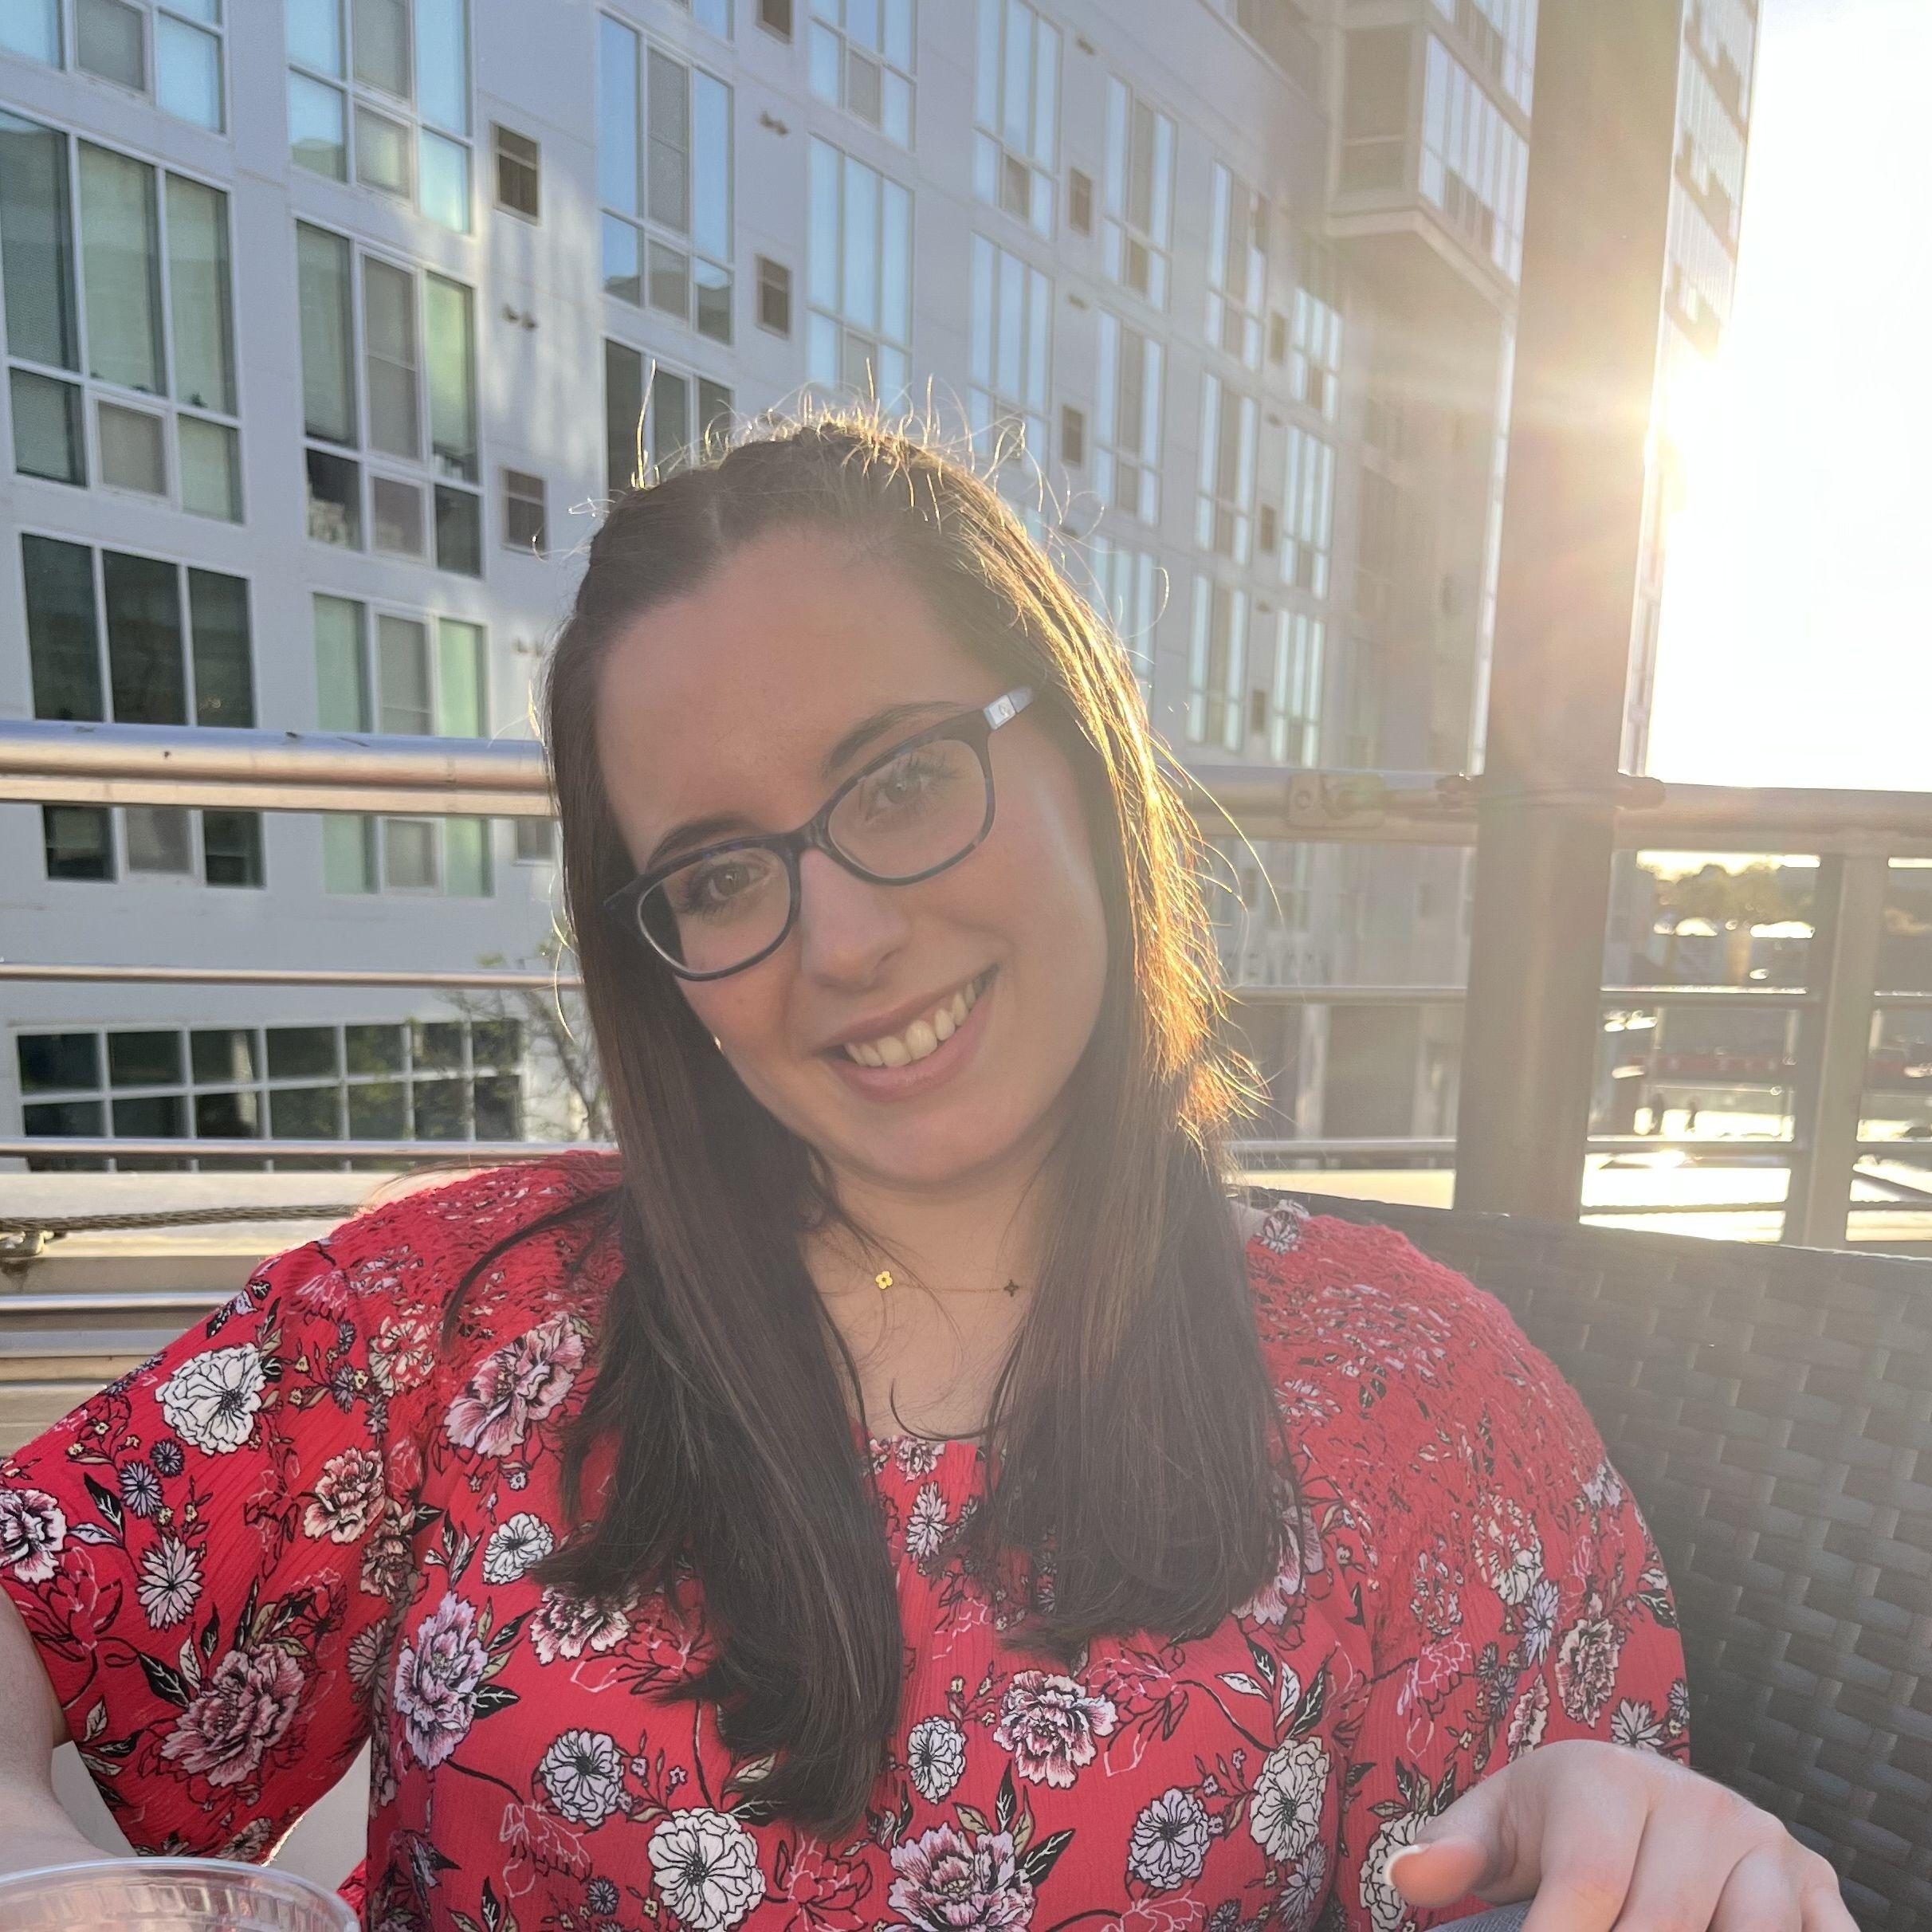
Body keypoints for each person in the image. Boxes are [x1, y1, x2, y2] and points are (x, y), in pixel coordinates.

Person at [0, 418, 1851, 1932]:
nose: (847, 942)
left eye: (898, 780)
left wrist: (1627, 1843)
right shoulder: (455, 1316)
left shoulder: (1421, 1401)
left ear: (1083, 753)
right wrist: (37, 1866)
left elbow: (1547, 1865)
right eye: (720, 874)